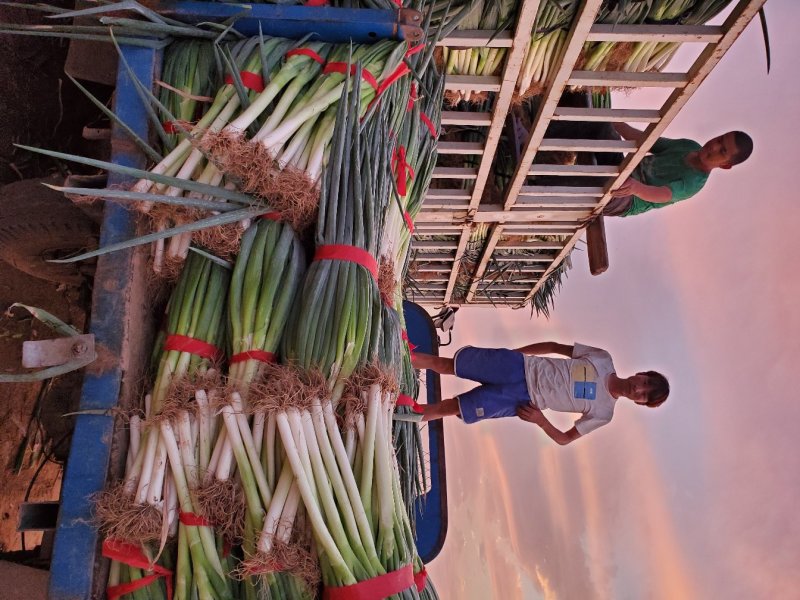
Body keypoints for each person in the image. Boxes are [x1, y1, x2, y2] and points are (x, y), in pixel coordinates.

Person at [410, 342, 669, 445]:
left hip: (523, 401)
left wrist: (540, 420)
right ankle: (398, 359)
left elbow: (565, 439)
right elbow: (555, 346)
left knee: (452, 407)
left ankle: (401, 414)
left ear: (640, 403)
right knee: (447, 365)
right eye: (645, 382)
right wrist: (517, 354)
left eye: (645, 395)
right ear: (640, 374)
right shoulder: (603, 359)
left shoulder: (605, 413)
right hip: (517, 366)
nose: (640, 388)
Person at [601, 123, 753, 217]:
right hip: (622, 168)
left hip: (628, 198)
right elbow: (646, 142)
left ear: (725, 165)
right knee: (604, 130)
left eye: (722, 151)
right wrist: (616, 123)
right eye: (720, 139)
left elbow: (663, 194)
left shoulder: (694, 183)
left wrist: (636, 188)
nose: (714, 146)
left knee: (599, 186)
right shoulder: (689, 146)